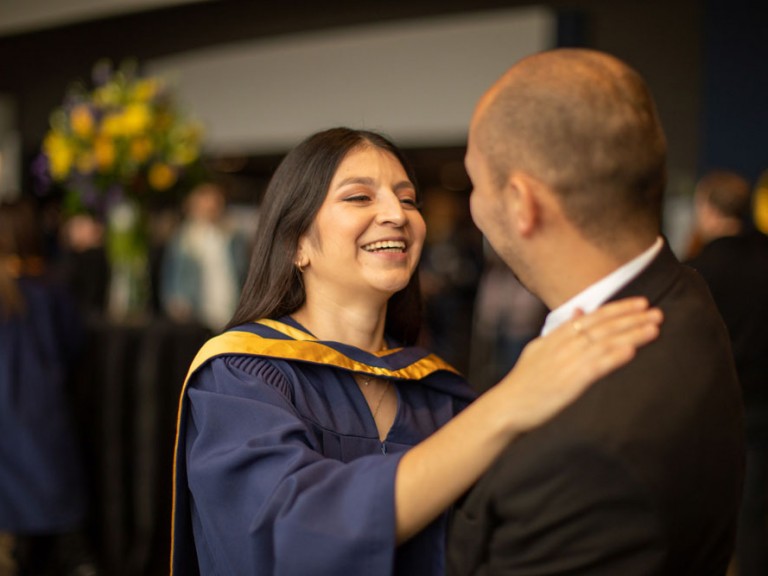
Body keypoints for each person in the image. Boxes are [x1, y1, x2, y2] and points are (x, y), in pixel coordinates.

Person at [170, 127, 663, 575]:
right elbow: (289, 532)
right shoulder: (240, 381)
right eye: (360, 196)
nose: (396, 216)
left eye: (408, 200)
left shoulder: (441, 393)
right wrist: (507, 407)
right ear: (298, 243)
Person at [447, 48, 745, 575]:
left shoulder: (582, 455)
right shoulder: (684, 294)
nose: (474, 203)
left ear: (522, 204)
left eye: (475, 182)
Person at [0, 198, 99, 576]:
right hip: (46, 411)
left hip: (9, 419)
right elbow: (75, 345)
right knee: (57, 514)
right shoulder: (50, 288)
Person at [685, 169, 768, 576]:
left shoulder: (694, 274)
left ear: (708, 210)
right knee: (756, 515)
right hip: (765, 405)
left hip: (715, 411)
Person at [161, 181, 249, 331]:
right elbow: (172, 272)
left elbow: (242, 271)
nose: (211, 207)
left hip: (230, 307)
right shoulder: (185, 237)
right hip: (196, 312)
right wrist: (175, 300)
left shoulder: (232, 235)